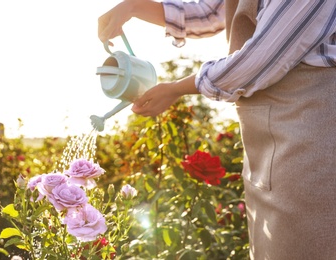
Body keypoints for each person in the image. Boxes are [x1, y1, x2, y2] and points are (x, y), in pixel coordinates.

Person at [98, 0, 336, 259]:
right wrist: (132, 7)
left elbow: (256, 60)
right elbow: (211, 12)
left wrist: (175, 89)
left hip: (310, 135)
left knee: (309, 244)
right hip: (274, 136)